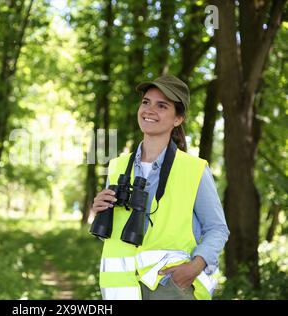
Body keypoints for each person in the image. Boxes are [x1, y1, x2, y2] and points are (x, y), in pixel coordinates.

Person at [91, 75, 229, 300]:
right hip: (121, 290)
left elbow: (217, 228)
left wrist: (194, 268)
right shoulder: (117, 167)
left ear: (178, 119)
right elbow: (112, 238)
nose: (149, 110)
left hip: (170, 287)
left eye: (162, 105)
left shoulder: (194, 169)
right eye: (146, 102)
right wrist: (99, 212)